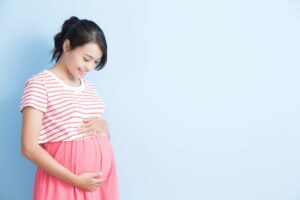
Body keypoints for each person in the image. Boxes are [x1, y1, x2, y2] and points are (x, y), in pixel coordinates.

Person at [19, 16, 120, 200]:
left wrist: (104, 126)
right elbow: (29, 147)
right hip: (64, 183)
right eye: (86, 58)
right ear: (67, 47)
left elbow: (98, 135)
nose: (89, 67)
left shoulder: (88, 87)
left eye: (96, 62)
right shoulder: (40, 85)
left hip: (98, 184)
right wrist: (75, 180)